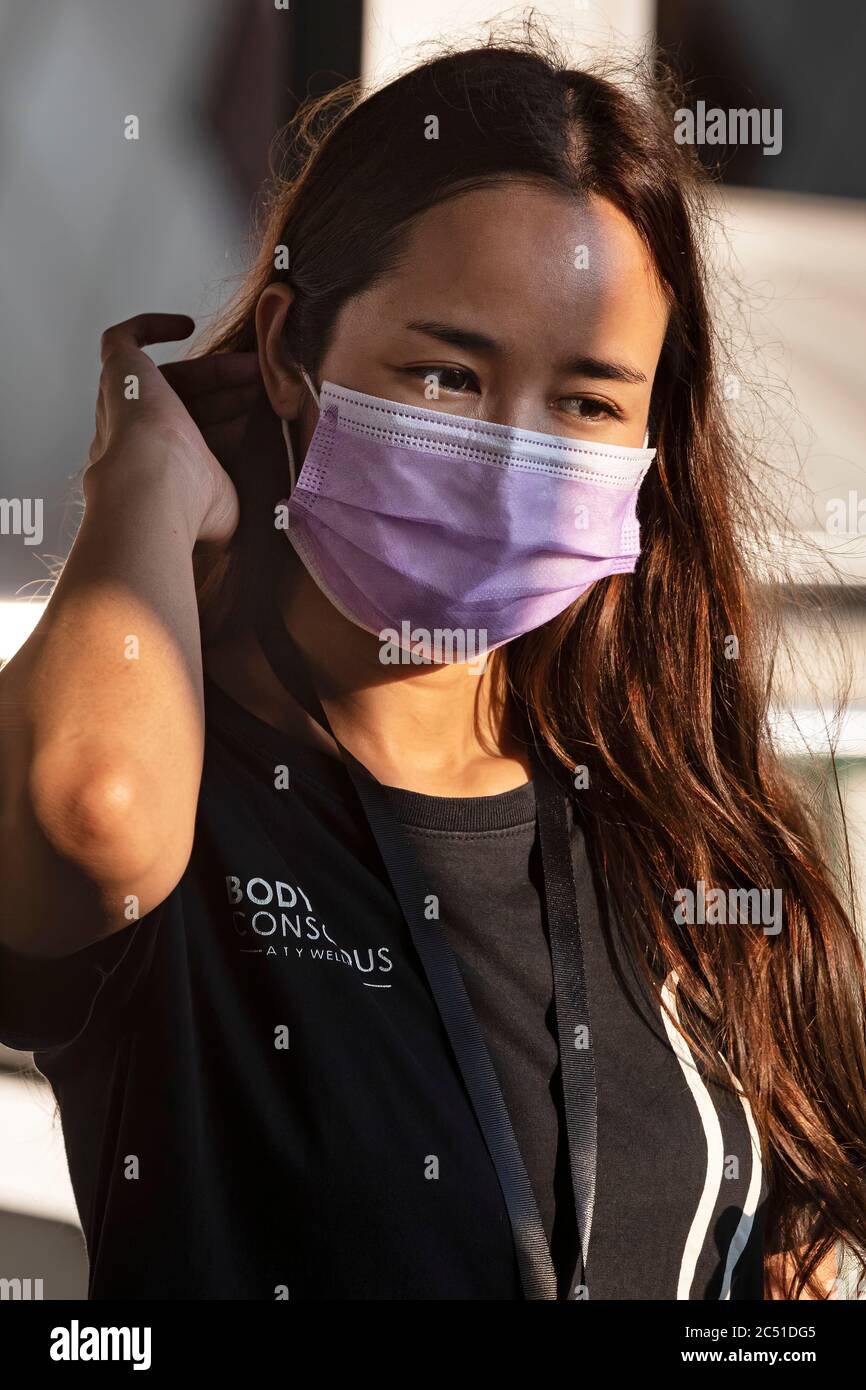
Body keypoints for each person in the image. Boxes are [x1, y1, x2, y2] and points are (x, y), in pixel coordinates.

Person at [1, 36, 864, 1302]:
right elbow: (86, 817)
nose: (517, 455)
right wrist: (142, 476)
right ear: (292, 353)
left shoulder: (681, 832)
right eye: (446, 374)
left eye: (585, 401)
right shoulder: (181, 787)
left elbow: (781, 1261)